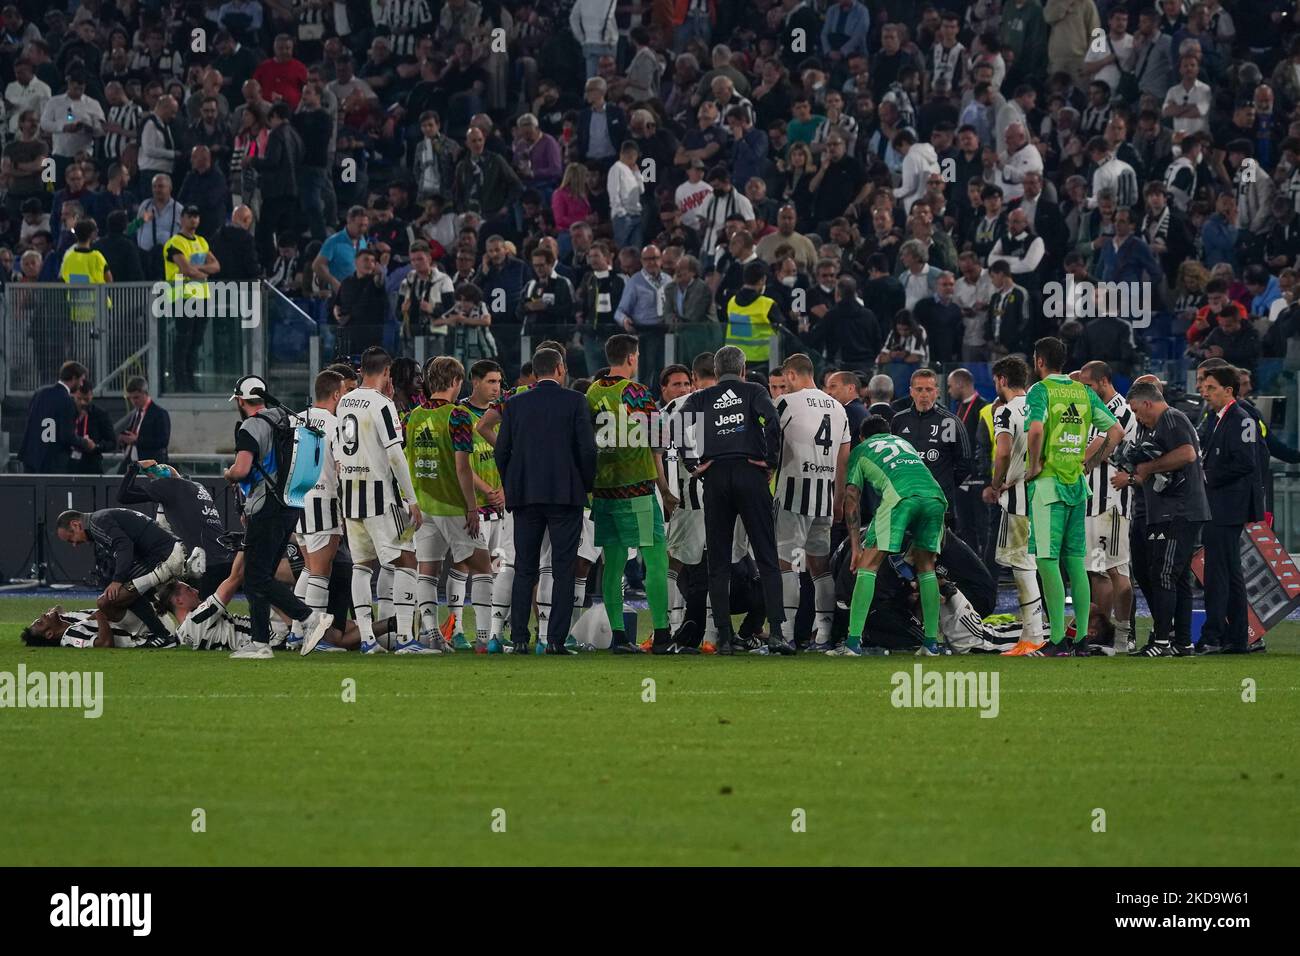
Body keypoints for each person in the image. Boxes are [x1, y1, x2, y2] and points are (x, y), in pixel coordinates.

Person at [672, 345, 790, 655]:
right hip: (750, 472)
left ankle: (723, 636)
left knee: (719, 561)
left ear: (715, 368)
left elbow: (676, 426)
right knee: (766, 554)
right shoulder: (753, 390)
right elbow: (773, 422)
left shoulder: (701, 397)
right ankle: (776, 632)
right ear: (742, 368)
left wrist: (693, 464)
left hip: (716, 476)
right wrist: (771, 462)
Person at [1024, 337, 1125, 657]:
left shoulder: (1040, 391)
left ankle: (1056, 640)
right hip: (1078, 488)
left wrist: (1034, 464)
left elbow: (1036, 430)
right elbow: (1116, 432)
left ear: (1039, 361)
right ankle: (1081, 638)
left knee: (1046, 561)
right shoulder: (1082, 391)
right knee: (1076, 564)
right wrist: (1089, 464)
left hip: (1049, 487)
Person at [495, 346, 598, 654]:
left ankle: (518, 639)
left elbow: (502, 451)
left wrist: (512, 483)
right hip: (565, 496)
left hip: (525, 495)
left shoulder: (514, 404)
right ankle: (554, 640)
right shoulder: (576, 401)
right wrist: (585, 483)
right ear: (560, 369)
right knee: (562, 567)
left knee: (523, 566)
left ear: (536, 372)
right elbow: (588, 450)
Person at [224, 375, 332, 659]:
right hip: (290, 503)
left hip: (265, 506)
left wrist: (229, 473)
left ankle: (309, 618)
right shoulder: (284, 418)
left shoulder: (251, 426)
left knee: (255, 578)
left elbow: (243, 468)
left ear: (241, 400)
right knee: (259, 576)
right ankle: (260, 643)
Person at [586, 335, 679, 654]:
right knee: (654, 557)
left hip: (604, 489)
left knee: (612, 563)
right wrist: (664, 489)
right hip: (638, 486)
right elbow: (656, 441)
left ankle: (619, 637)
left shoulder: (592, 391)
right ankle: (663, 635)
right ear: (631, 358)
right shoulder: (636, 393)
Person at [332, 349, 427, 655]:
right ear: (386, 372)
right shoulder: (382, 404)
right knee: (407, 560)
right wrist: (411, 499)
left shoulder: (345, 400)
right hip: (379, 497)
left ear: (361, 370)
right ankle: (404, 639)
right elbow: (395, 454)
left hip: (351, 496)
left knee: (362, 566)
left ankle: (368, 640)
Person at [406, 356, 494, 652]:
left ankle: (431, 634)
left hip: (423, 504)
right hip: (453, 506)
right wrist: (472, 507)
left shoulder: (413, 416)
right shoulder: (457, 416)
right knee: (483, 568)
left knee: (427, 570)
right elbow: (462, 468)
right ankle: (484, 638)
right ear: (456, 383)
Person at [840, 416, 948, 656]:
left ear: (862, 437)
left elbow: (851, 498)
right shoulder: (904, 443)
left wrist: (856, 548)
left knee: (868, 566)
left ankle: (852, 643)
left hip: (901, 497)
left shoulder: (861, 449)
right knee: (927, 567)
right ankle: (931, 644)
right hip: (935, 497)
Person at [775, 353, 851, 650]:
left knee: (789, 564)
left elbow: (768, 441)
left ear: (792, 374)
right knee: (820, 566)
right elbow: (844, 458)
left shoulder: (786, 402)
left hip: (794, 493)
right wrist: (840, 498)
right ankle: (824, 634)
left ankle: (788, 633)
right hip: (825, 496)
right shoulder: (837, 407)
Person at [54, 507, 196, 646]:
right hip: (165, 552)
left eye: (70, 538)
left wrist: (118, 580)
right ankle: (170, 628)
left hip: (163, 555)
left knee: (119, 594)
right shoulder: (100, 519)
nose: (74, 544)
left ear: (76, 524)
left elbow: (124, 546)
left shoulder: (97, 523)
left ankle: (162, 635)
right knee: (128, 591)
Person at [1198, 366, 1264, 654]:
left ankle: (1214, 635)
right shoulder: (1218, 418)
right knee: (1229, 571)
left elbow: (1246, 462)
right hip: (1223, 504)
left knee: (1218, 572)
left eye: (1211, 387)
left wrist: (1207, 476)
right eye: (1204, 387)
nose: (1205, 392)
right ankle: (1237, 636)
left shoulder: (1241, 417)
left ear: (1228, 390)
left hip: (1228, 504)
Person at [983, 355, 1046, 656]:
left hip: (1019, 500)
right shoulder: (1040, 408)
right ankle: (1037, 631)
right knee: (1036, 564)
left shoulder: (1005, 412)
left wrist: (996, 483)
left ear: (1003, 380)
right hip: (1045, 498)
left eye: (996, 380)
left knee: (1023, 567)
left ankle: (1032, 635)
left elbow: (1003, 452)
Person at [1078, 361, 1139, 654]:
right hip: (1094, 503)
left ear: (1103, 382)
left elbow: (1102, 449)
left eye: (1088, 386)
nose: (1085, 392)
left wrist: (1074, 461)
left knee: (1115, 569)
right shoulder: (1095, 410)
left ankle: (1124, 635)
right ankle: (1101, 633)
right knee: (1098, 570)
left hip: (1110, 504)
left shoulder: (1120, 410)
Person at [118, 458, 235, 600]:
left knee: (200, 617)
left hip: (206, 563)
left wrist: (135, 467)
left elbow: (123, 495)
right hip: (224, 557)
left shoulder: (168, 487)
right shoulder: (196, 486)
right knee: (208, 613)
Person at [289, 370, 346, 652]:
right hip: (325, 500)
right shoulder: (337, 424)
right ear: (336, 394)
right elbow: (341, 467)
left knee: (309, 570)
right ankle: (318, 637)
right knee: (321, 572)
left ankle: (296, 632)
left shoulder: (294, 419)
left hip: (297, 501)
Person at [889, 368, 972, 527]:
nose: (924, 394)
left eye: (929, 389)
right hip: (905, 502)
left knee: (940, 551)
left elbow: (965, 463)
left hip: (939, 504)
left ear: (937, 392)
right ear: (911, 392)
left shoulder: (950, 422)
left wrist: (943, 484)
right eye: (919, 389)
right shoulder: (899, 421)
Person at [163, 205, 221, 391]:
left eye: (196, 216)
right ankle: (181, 384)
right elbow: (185, 269)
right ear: (182, 218)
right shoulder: (175, 243)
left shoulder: (202, 242)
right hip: (182, 298)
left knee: (195, 343)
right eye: (190, 216)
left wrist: (198, 271)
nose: (193, 220)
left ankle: (191, 383)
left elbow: (216, 266)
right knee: (183, 343)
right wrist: (201, 271)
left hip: (201, 296)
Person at [22, 361, 94, 473]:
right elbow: (67, 436)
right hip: (53, 462)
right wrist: (85, 443)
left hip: (31, 457)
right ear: (74, 378)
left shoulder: (40, 393)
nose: (81, 384)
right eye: (81, 380)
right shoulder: (67, 401)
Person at [115, 377, 170, 470]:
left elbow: (163, 441)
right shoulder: (137, 413)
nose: (133, 401)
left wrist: (136, 440)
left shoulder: (159, 414)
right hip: (133, 462)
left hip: (150, 465)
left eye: (136, 397)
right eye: (131, 398)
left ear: (145, 393)